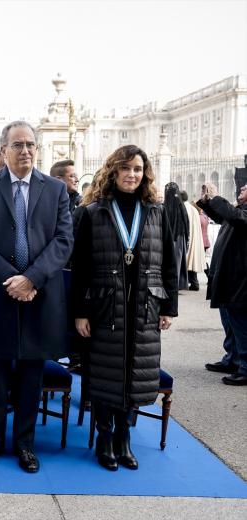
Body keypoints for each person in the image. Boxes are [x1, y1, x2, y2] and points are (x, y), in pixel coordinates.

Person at [0, 121, 73, 473]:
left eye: (30, 145)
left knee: (31, 374)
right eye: (17, 145)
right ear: (3, 150)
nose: (25, 150)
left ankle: (25, 445)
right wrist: (10, 280)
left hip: (39, 296)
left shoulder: (56, 189)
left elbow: (63, 241)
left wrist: (30, 279)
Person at [71, 144, 178, 471]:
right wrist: (80, 311)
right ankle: (105, 438)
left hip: (144, 306)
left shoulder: (156, 212)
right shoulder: (94, 212)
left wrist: (168, 308)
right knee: (106, 374)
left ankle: (124, 438)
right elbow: (80, 267)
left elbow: (169, 263)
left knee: (134, 374)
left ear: (144, 174)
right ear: (113, 171)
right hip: (105, 305)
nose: (132, 175)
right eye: (126, 168)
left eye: (137, 169)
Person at [198, 182, 247, 385]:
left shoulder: (241, 214)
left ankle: (245, 366)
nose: (241, 190)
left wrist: (217, 198)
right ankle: (232, 359)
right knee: (229, 320)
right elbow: (222, 217)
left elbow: (237, 220)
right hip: (228, 276)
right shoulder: (239, 210)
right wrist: (207, 201)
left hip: (240, 278)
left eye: (245, 189)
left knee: (241, 324)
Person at [164, 182, 189, 290]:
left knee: (175, 261)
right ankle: (176, 283)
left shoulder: (167, 206)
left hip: (176, 237)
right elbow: (186, 223)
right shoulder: (180, 206)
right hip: (179, 237)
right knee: (176, 261)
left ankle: (174, 284)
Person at [180, 191, 206, 291]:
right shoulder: (193, 208)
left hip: (188, 237)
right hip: (194, 238)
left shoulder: (184, 208)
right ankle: (194, 283)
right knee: (191, 261)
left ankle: (189, 284)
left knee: (187, 261)